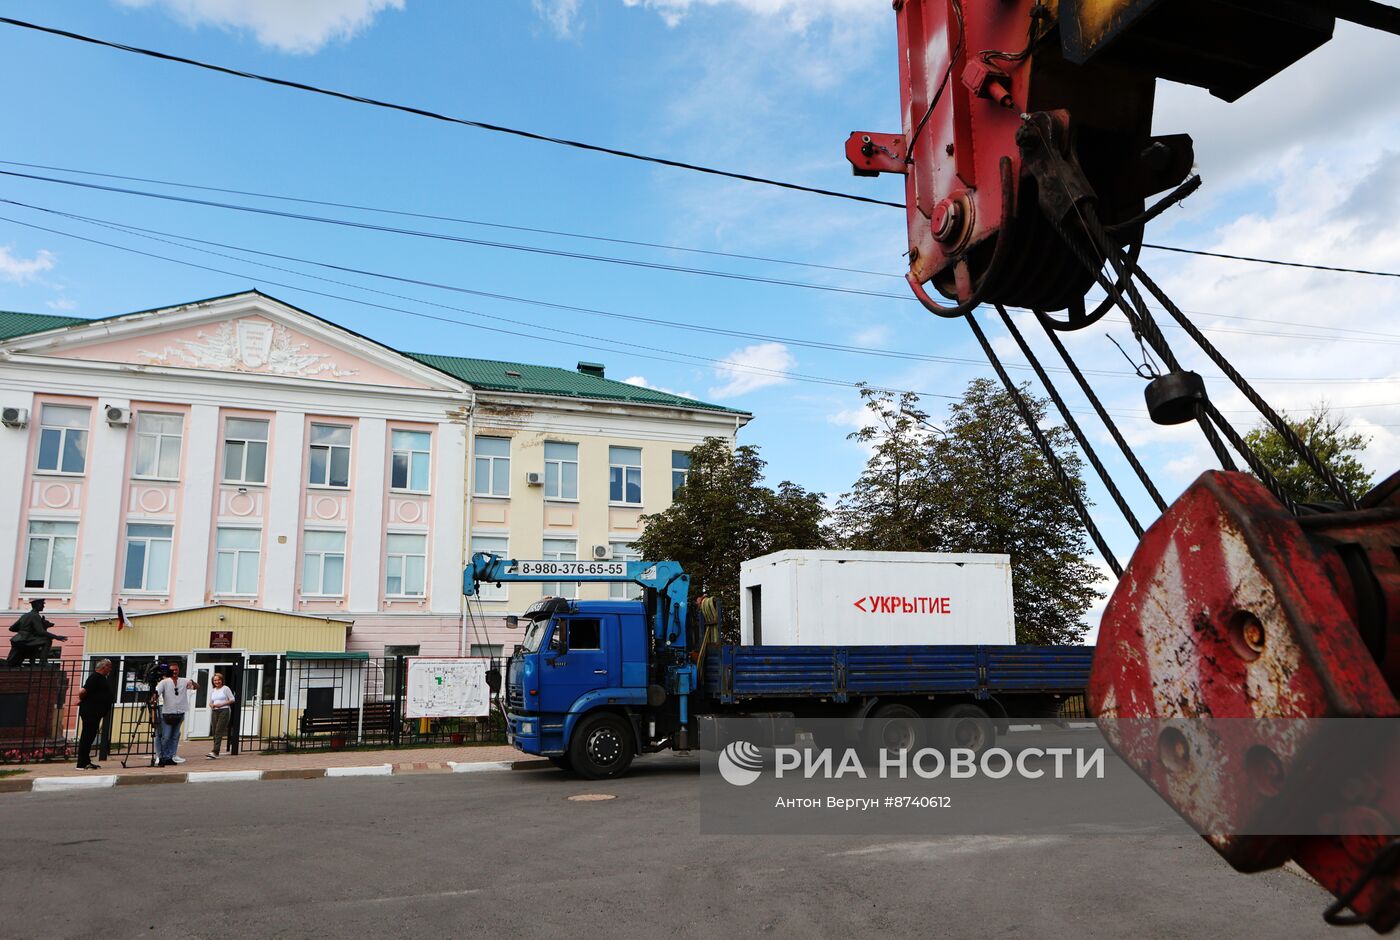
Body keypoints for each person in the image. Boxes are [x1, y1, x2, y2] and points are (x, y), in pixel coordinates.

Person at [154, 662, 197, 767]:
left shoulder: (183, 680)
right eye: (172, 670)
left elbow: (196, 687)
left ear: (178, 670)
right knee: (165, 736)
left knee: (175, 736)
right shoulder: (164, 682)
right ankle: (161, 756)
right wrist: (153, 699)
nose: (174, 671)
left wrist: (192, 682)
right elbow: (156, 693)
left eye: (176, 669)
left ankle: (170, 756)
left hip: (180, 712)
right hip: (167, 713)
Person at [75, 658, 115, 770]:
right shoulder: (95, 677)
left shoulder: (101, 678)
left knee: (90, 736)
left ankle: (86, 761)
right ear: (104, 667)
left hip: (95, 712)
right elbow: (83, 691)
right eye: (109, 667)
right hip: (90, 712)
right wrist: (82, 699)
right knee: (87, 737)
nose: (110, 670)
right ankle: (81, 763)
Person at [5, 598, 68, 667]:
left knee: (37, 642)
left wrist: (23, 630)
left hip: (17, 639)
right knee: (47, 640)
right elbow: (40, 631)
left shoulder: (24, 615)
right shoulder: (35, 615)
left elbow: (12, 628)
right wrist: (56, 637)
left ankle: (32, 663)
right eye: (42, 605)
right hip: (25, 640)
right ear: (37, 605)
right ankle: (43, 662)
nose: (43, 606)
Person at [206, 671, 235, 759]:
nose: (217, 682)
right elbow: (210, 702)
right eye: (215, 680)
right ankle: (215, 751)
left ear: (222, 680)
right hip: (215, 711)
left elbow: (232, 699)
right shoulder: (213, 690)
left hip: (224, 711)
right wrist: (212, 705)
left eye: (218, 680)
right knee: (214, 731)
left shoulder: (225, 688)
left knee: (219, 731)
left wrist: (221, 705)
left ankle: (215, 751)